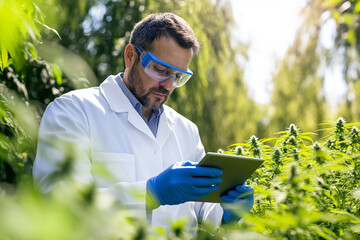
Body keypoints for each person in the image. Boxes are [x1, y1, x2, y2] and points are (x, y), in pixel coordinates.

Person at [33, 12, 254, 234]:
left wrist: (224, 213)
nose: (167, 85)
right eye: (160, 70)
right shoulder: (73, 111)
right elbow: (61, 203)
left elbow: (200, 206)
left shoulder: (186, 130)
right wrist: (151, 193)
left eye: (178, 76)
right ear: (130, 56)